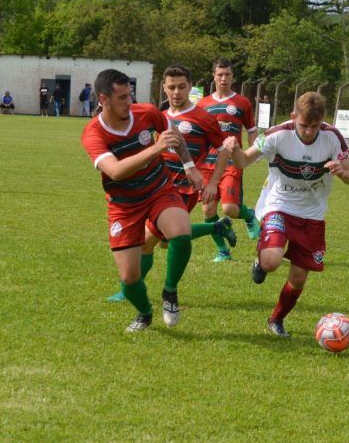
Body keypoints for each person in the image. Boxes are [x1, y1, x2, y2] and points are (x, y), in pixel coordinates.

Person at [223, 92, 349, 338]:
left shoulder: (332, 137)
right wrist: (234, 149)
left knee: (298, 277)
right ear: (293, 116)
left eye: (314, 126)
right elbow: (242, 162)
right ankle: (261, 260)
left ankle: (276, 319)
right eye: (303, 125)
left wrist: (342, 171)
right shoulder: (277, 135)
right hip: (280, 205)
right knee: (271, 261)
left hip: (312, 214)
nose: (308, 131)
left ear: (322, 121)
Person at [82, 68, 204, 332]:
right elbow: (115, 171)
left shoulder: (146, 112)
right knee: (129, 278)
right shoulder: (93, 133)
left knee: (180, 232)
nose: (130, 102)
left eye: (131, 95)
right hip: (124, 205)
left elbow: (173, 135)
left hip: (158, 189)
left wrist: (189, 165)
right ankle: (145, 314)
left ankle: (170, 292)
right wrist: (156, 148)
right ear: (103, 99)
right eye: (123, 97)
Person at [106, 64, 236, 303]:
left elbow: (224, 151)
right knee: (164, 241)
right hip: (154, 189)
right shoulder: (159, 116)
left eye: (182, 87)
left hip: (182, 192)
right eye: (171, 87)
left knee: (146, 242)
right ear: (163, 88)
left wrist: (212, 184)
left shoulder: (203, 118)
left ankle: (131, 291)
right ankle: (216, 228)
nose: (176, 92)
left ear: (190, 87)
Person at [198, 58, 260, 262]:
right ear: (214, 76)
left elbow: (252, 130)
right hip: (208, 163)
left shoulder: (242, 103)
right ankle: (223, 251)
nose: (223, 78)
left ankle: (249, 215)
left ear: (233, 77)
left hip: (232, 162)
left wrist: (253, 150)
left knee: (230, 209)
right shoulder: (203, 104)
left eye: (227, 74)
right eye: (220, 74)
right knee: (208, 210)